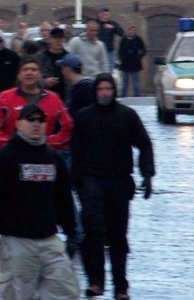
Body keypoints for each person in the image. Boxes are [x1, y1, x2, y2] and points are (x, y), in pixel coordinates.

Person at [0, 104, 79, 300]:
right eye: (30, 119)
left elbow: (64, 199)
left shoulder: (54, 157)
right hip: (17, 242)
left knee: (66, 293)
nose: (36, 124)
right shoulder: (4, 156)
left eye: (40, 120)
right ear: (18, 124)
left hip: (50, 240)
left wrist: (72, 234)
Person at [71, 73, 155, 300]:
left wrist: (147, 174)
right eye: (101, 89)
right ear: (95, 92)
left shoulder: (127, 116)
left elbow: (144, 144)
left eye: (108, 89)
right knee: (93, 232)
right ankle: (96, 281)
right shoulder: (84, 117)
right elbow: (76, 151)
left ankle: (120, 287)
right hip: (91, 181)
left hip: (118, 181)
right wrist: (77, 181)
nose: (105, 93)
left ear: (114, 91)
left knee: (118, 236)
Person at [0, 57, 73, 150]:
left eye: (34, 70)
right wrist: (13, 145)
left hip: (44, 157)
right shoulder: (4, 98)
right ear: (18, 75)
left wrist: (47, 144)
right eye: (25, 70)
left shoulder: (53, 98)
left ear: (40, 75)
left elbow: (68, 128)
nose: (29, 73)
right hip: (12, 157)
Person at [34, 27, 69, 101]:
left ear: (64, 39)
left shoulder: (69, 58)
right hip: (45, 98)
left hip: (65, 98)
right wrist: (44, 82)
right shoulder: (40, 57)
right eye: (55, 38)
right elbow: (33, 79)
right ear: (50, 39)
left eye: (60, 38)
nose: (58, 41)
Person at [118, 26, 146, 97]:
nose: (132, 32)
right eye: (131, 30)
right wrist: (122, 58)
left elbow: (143, 50)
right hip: (125, 63)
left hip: (135, 63)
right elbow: (120, 51)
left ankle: (137, 97)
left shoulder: (138, 39)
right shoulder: (124, 39)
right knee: (125, 83)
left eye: (134, 30)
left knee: (136, 83)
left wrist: (139, 57)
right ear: (128, 31)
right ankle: (123, 98)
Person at [96, 7, 124, 72]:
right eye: (104, 15)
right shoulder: (96, 23)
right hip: (97, 51)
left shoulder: (112, 23)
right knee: (97, 71)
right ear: (100, 15)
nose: (106, 17)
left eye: (107, 15)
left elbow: (121, 33)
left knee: (108, 71)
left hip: (109, 52)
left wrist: (113, 28)